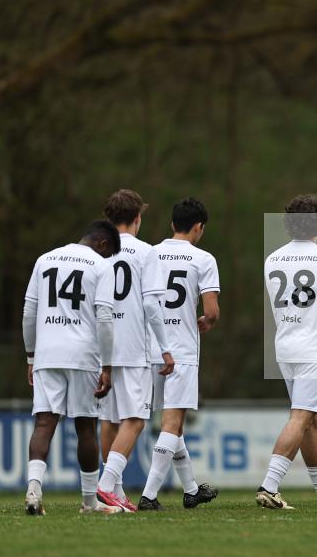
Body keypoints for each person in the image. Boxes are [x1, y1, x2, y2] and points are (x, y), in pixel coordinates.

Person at [256, 195, 317, 510]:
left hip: (285, 347)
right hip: (313, 351)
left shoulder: (272, 259)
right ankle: (269, 486)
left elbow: (301, 312)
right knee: (301, 416)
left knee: (310, 420)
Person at [22, 220, 123, 515]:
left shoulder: (45, 259)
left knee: (44, 423)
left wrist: (31, 356)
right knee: (86, 426)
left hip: (47, 352)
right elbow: (105, 318)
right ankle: (90, 502)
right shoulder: (101, 266)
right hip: (83, 354)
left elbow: (29, 312)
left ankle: (33, 490)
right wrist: (107, 364)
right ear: (103, 245)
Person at [138, 198, 221, 511]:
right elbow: (211, 311)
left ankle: (190, 490)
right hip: (182, 351)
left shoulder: (150, 253)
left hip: (152, 348)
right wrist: (205, 321)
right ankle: (148, 496)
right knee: (172, 424)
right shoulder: (203, 259)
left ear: (173, 224)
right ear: (198, 227)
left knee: (174, 424)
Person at [96, 190, 175, 512]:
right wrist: (166, 349)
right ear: (138, 218)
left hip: (101, 347)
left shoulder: (96, 250)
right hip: (133, 347)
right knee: (135, 420)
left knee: (108, 420)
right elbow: (151, 306)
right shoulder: (146, 252)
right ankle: (105, 486)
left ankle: (112, 496)